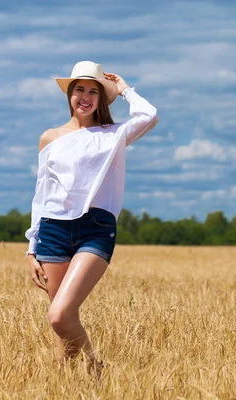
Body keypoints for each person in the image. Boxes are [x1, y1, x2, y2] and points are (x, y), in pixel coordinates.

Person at [25, 61, 158, 371]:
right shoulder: (49, 138)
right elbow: (41, 194)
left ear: (101, 99)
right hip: (53, 230)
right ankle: (64, 385)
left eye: (93, 91)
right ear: (70, 95)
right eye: (79, 90)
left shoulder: (113, 135)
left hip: (95, 229)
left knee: (59, 315)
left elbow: (149, 115)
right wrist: (31, 247)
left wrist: (124, 89)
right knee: (64, 324)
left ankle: (95, 365)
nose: (84, 96)